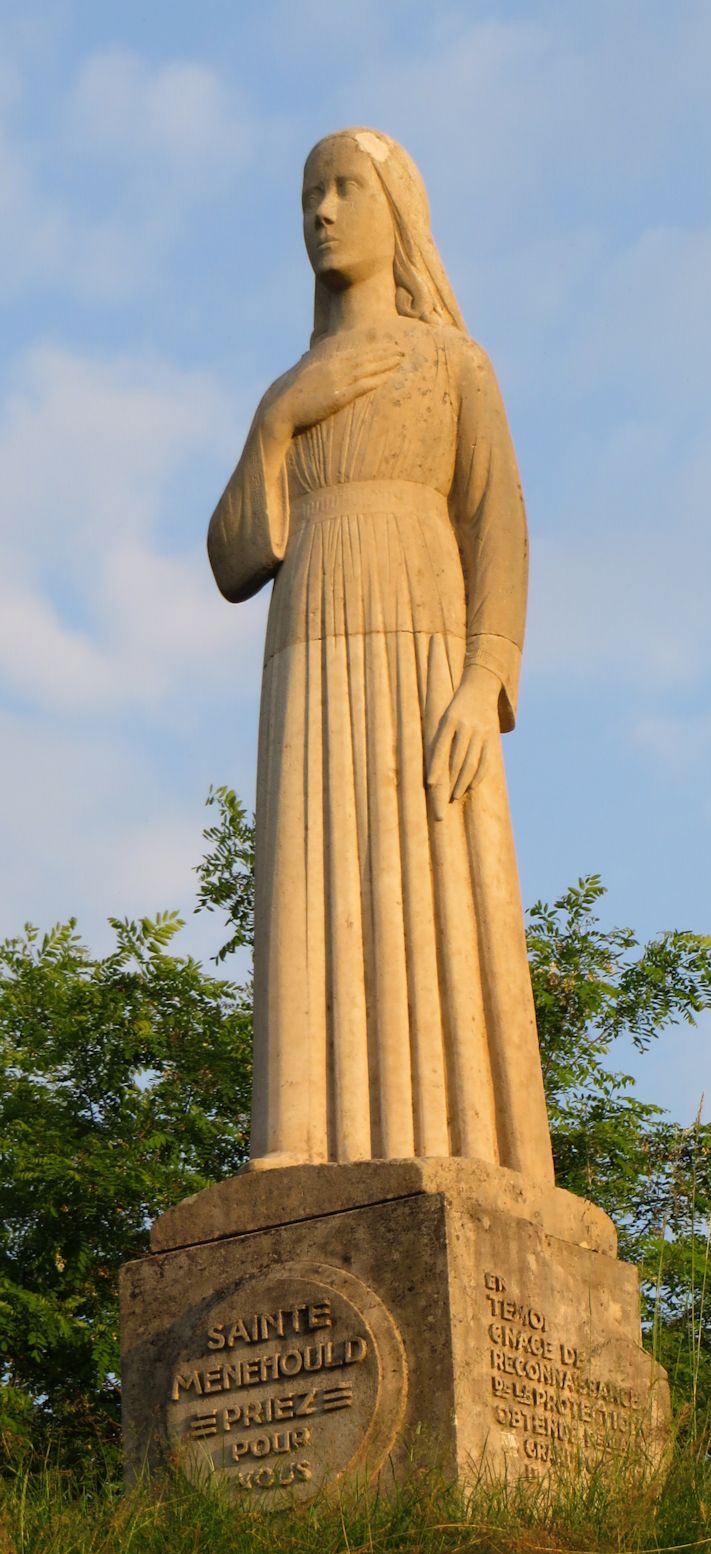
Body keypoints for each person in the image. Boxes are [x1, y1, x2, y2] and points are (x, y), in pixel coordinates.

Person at [208, 128, 555, 1188]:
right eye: (310, 192)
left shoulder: (454, 364)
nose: (321, 209)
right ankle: (303, 1139)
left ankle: (463, 1148)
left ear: (395, 208)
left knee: (438, 885)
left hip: (421, 654)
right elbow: (234, 557)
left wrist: (483, 675)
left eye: (345, 187)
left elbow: (498, 527)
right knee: (312, 879)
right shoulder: (288, 391)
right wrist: (276, 425)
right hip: (310, 657)